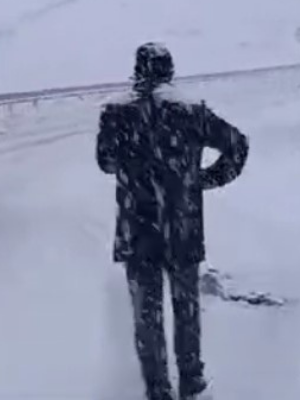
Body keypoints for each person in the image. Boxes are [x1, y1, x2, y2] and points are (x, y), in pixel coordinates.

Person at [96, 43, 250, 400]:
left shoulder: (117, 112)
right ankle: (192, 385)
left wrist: (136, 166)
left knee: (146, 318)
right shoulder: (192, 111)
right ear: (170, 71)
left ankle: (158, 390)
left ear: (137, 72)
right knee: (186, 311)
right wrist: (204, 179)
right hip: (183, 227)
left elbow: (104, 161)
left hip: (137, 230)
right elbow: (238, 146)